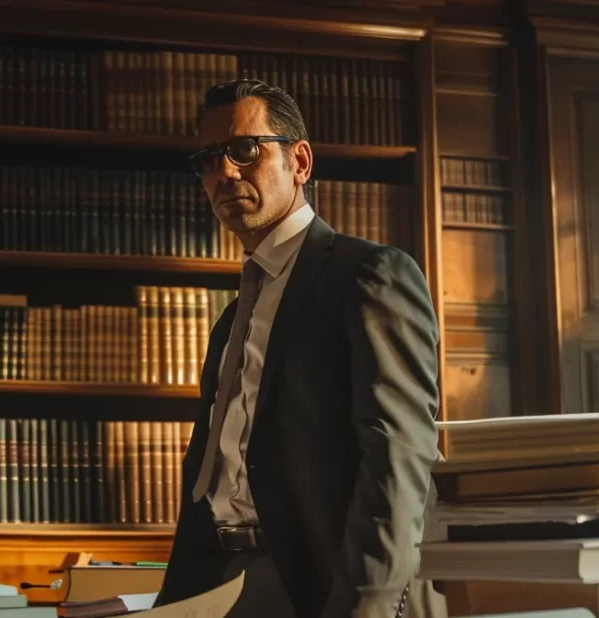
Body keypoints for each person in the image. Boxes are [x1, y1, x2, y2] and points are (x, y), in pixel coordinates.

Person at [152, 79, 444, 618]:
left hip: (324, 587)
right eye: (208, 160)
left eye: (245, 150)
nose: (225, 173)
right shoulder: (229, 319)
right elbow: (211, 471)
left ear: (300, 161)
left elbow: (398, 458)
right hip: (220, 583)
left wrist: (368, 608)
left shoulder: (371, 275)